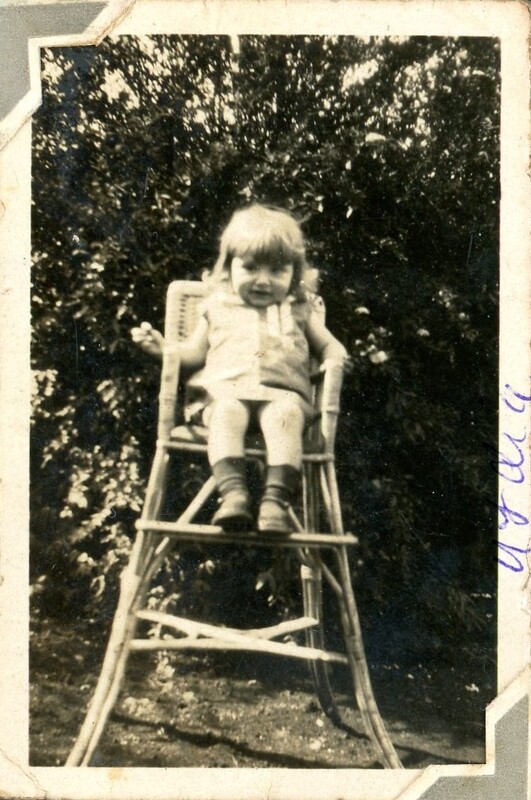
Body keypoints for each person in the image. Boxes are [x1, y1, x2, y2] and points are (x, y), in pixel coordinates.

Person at [132, 204, 349, 534]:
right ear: (229, 266)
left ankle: (275, 502)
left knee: (285, 416)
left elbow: (330, 346)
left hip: (282, 397)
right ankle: (234, 496)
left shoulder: (300, 310)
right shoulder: (217, 307)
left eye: (277, 270)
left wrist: (335, 358)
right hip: (224, 395)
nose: (263, 280)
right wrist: (162, 350)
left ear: (294, 273)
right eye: (250, 267)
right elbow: (192, 355)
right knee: (227, 413)